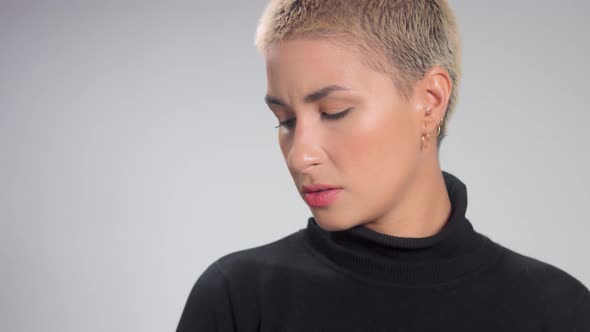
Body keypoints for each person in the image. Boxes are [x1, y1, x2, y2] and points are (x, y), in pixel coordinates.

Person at [176, 1, 590, 330]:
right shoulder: (238, 299)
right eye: (285, 121)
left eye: (334, 111)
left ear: (430, 100)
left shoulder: (558, 310)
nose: (300, 155)